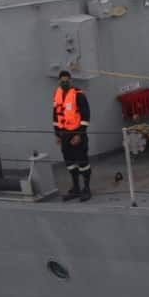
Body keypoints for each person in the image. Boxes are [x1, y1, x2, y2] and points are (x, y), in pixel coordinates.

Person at [52, 70, 92, 201]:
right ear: (59, 81)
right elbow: (55, 115)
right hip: (64, 135)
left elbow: (86, 116)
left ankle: (86, 188)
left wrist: (80, 134)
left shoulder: (78, 95)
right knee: (69, 162)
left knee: (82, 162)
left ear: (71, 81)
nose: (64, 83)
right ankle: (76, 188)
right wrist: (57, 134)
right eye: (62, 81)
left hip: (77, 134)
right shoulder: (57, 95)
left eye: (66, 81)